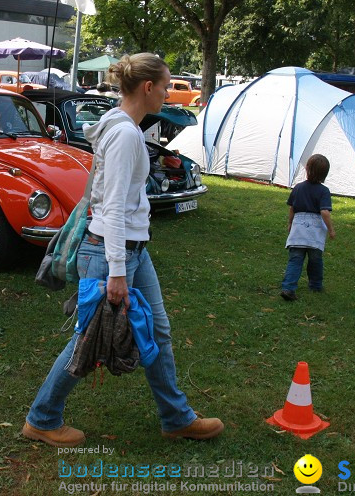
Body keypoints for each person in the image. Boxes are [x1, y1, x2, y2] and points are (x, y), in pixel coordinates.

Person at [23, 53, 224, 447]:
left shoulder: (124, 125)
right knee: (89, 338)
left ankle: (176, 417)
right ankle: (42, 419)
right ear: (147, 87)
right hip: (110, 253)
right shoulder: (125, 134)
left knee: (158, 330)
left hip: (134, 251)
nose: (168, 94)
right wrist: (116, 271)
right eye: (165, 86)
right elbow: (112, 206)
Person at [280, 154, 336, 301]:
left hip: (298, 229)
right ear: (325, 174)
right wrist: (331, 229)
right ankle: (316, 285)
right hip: (315, 232)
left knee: (295, 259)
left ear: (307, 169)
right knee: (315, 260)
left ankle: (288, 287)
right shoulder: (324, 191)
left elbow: (292, 208)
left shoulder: (298, 188)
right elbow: (324, 212)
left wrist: (290, 223)